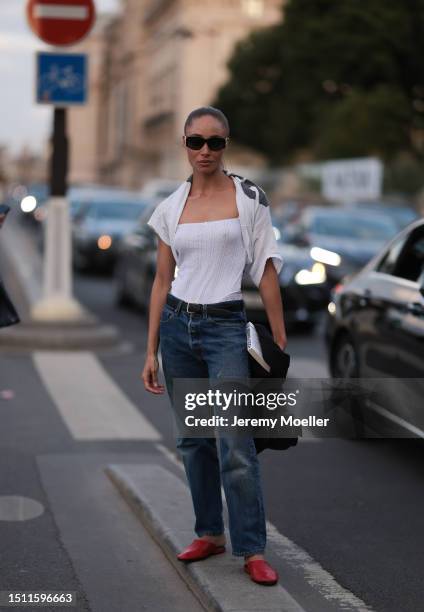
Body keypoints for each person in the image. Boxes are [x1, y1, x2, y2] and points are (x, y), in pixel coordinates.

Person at [141, 106, 287, 586]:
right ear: (183, 144)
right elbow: (162, 281)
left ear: (226, 145)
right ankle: (209, 532)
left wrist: (279, 341)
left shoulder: (249, 199)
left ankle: (251, 548)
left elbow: (265, 269)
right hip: (178, 327)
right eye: (195, 142)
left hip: (226, 325)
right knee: (192, 441)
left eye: (214, 142)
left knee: (234, 443)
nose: (204, 151)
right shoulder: (170, 207)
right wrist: (150, 351)